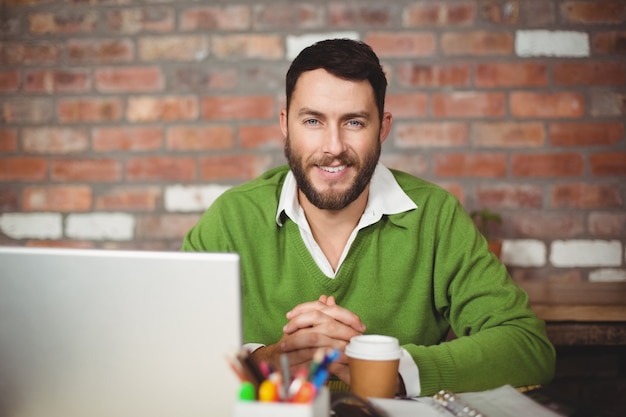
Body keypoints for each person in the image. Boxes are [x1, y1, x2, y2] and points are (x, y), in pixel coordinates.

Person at [182, 38, 555, 397]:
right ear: (285, 125)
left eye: (354, 123)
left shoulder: (435, 217)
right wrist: (265, 363)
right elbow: (170, 345)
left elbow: (526, 346)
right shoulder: (231, 218)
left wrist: (392, 368)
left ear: (383, 128)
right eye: (312, 121)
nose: (333, 148)